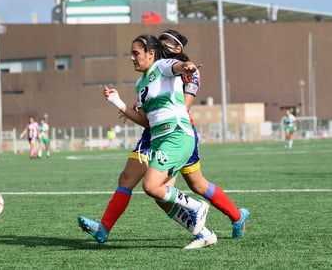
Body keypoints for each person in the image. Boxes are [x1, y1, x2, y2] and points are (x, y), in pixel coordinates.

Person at [79, 31, 250, 249]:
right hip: (155, 134)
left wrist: (185, 68)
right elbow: (148, 116)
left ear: (174, 48)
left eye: (164, 43)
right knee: (145, 186)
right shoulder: (143, 81)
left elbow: (181, 102)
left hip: (176, 133)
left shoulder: (175, 67)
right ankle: (105, 228)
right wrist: (122, 104)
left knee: (194, 184)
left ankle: (234, 216)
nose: (160, 45)